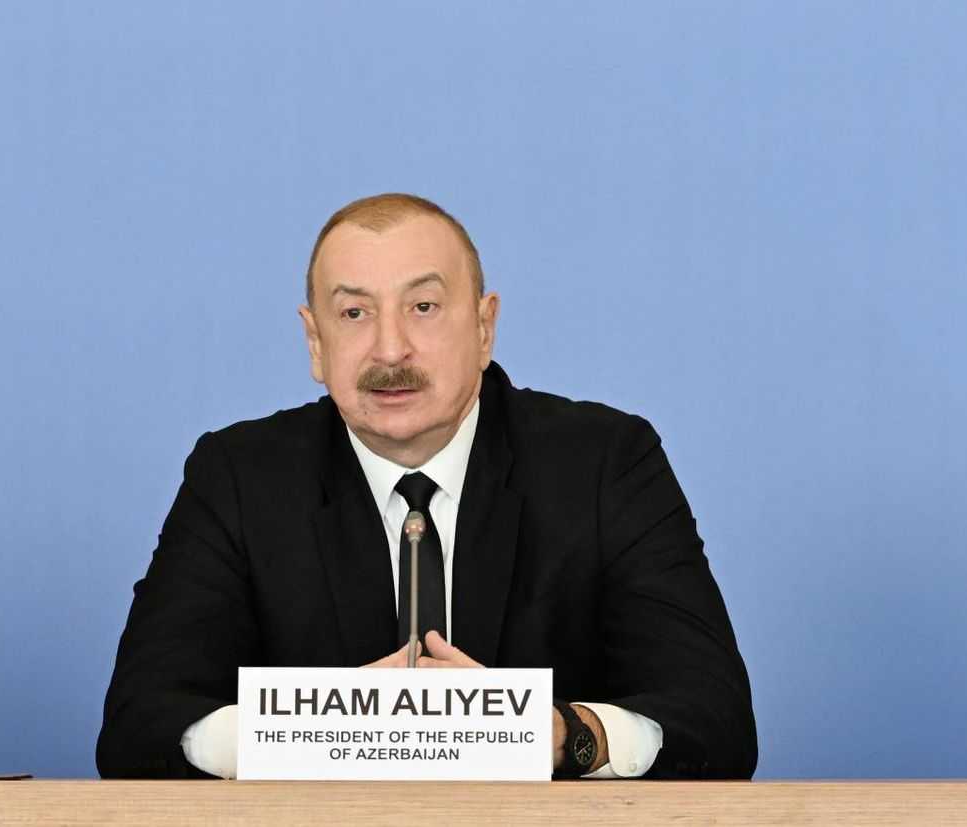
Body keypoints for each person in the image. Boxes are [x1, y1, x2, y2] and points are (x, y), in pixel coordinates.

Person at [97, 193, 757, 780]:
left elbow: (715, 722)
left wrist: (555, 733)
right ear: (315, 343)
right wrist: (319, 729)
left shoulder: (605, 464)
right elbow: (139, 728)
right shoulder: (238, 476)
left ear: (483, 326)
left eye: (424, 306)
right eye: (354, 313)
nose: (391, 350)